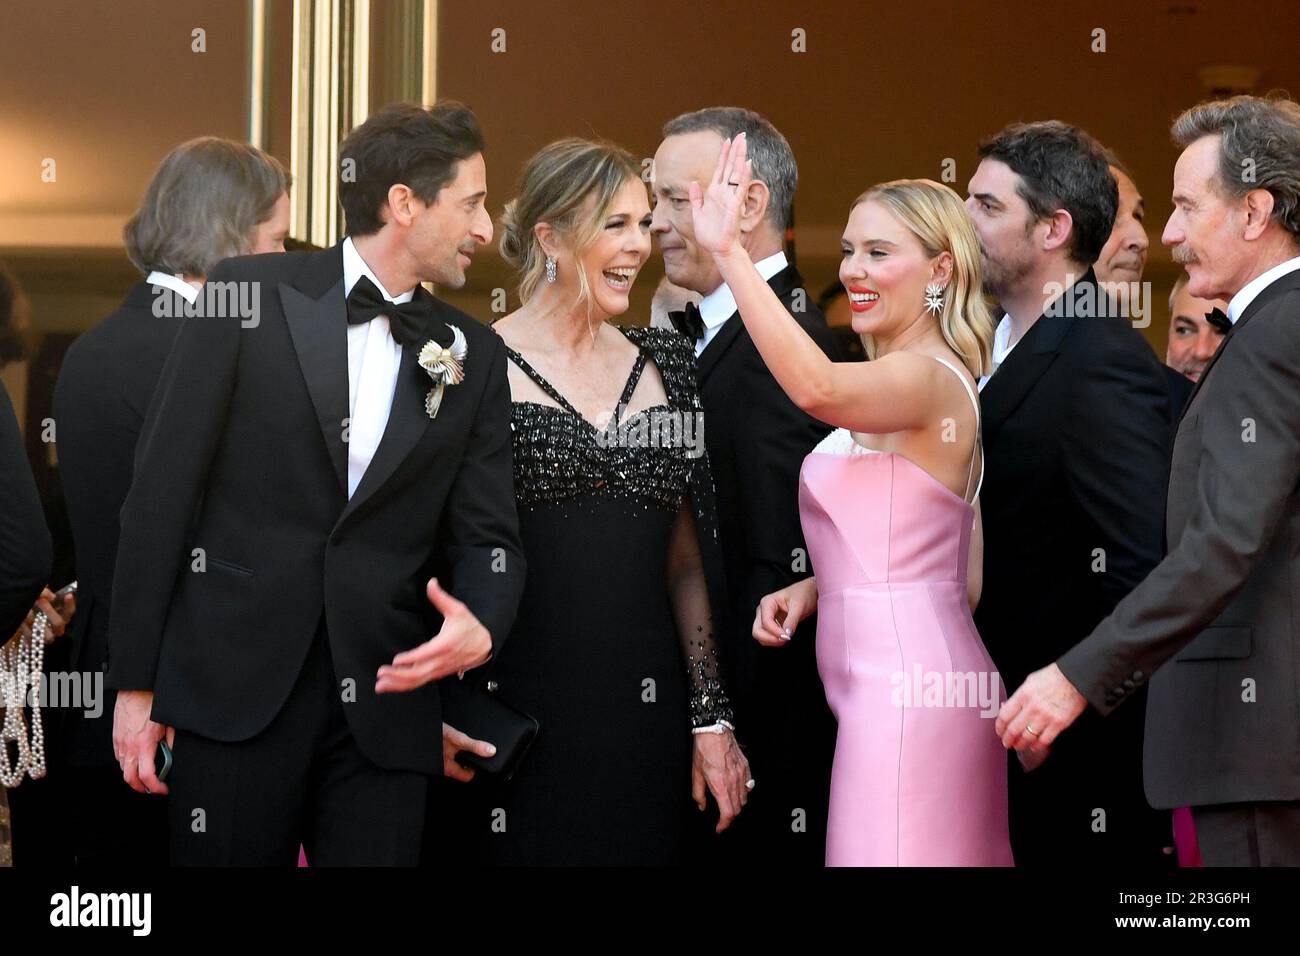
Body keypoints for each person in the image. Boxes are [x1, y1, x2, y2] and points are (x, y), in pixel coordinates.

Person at [105, 102, 526, 865]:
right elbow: (160, 497)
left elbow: (488, 533)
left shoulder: (475, 353)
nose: (486, 229)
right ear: (404, 203)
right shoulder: (245, 294)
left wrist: (483, 622)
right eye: (471, 203)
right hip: (234, 693)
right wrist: (136, 686)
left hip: (387, 711)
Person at [1001, 94, 1300, 866]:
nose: (1166, 235)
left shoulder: (1274, 336)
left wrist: (1076, 677)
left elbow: (1224, 541)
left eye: (1185, 208)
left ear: (1255, 211)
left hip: (1258, 744)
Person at [695, 134, 1008, 864]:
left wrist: (731, 255)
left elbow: (817, 389)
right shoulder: (915, 379)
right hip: (899, 690)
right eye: (849, 251)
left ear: (940, 270)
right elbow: (959, 576)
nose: (854, 271)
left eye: (878, 253)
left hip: (908, 701)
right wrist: (819, 588)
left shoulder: (928, 379)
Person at [441, 138, 749, 865]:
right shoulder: (472, 366)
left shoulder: (669, 364)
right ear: (549, 237)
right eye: (615, 224)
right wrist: (432, 710)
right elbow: (423, 553)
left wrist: (711, 716)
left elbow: (685, 560)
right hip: (517, 713)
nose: (639, 245)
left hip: (646, 718)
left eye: (644, 223)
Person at [52, 137, 291, 866]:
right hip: (170, 698)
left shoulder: (108, 344)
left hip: (122, 682)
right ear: (228, 233)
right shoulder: (188, 350)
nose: (284, 261)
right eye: (277, 240)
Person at [966, 120, 1174, 865]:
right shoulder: (991, 342)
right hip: (1004, 729)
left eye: (988, 207)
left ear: (1053, 229)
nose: (967, 223)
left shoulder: (1097, 361)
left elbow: (1142, 569)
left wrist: (1069, 698)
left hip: (1075, 754)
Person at [651, 107, 838, 864]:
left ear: (749, 205)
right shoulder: (708, 331)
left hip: (764, 740)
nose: (654, 220)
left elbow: (777, 562)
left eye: (674, 199)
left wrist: (718, 722)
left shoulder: (787, 349)